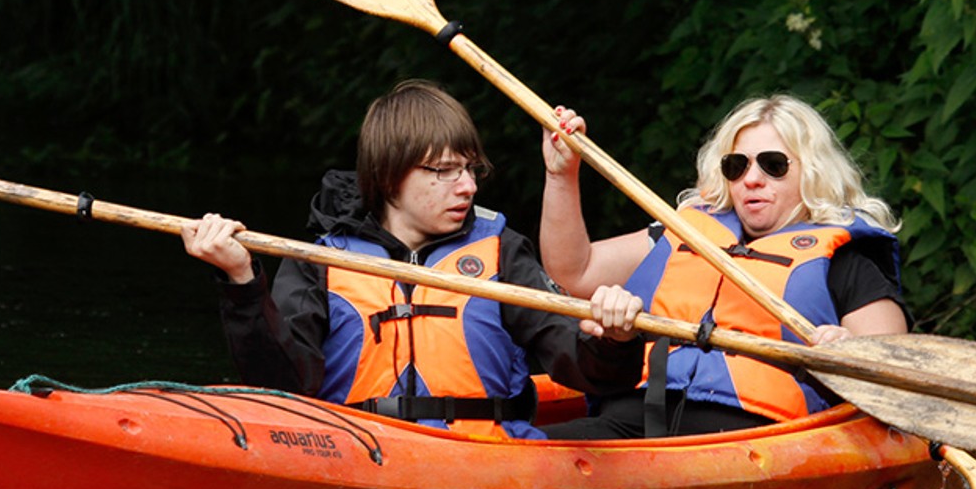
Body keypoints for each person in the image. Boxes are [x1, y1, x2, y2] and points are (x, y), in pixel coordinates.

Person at [180, 79, 645, 440]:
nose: (467, 186)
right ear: (388, 176)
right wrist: (241, 280)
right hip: (357, 449)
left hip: (485, 453)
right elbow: (280, 388)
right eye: (443, 171)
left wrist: (616, 341)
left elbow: (587, 372)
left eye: (469, 169)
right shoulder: (319, 261)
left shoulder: (501, 252)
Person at [536, 93, 905, 440]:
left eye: (773, 165)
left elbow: (899, 378)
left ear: (813, 171)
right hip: (635, 422)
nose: (752, 178)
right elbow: (573, 272)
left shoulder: (846, 260)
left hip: (760, 441)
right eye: (736, 165)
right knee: (537, 452)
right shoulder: (685, 231)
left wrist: (852, 351)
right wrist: (561, 175)